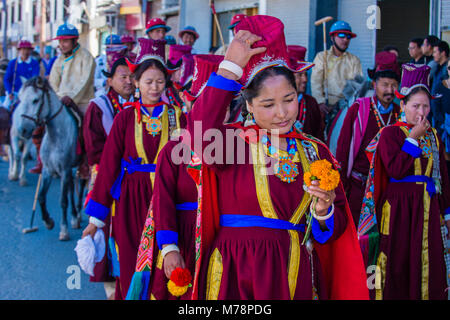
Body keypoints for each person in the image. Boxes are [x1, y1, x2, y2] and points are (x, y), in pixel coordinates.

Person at [186, 15, 368, 300]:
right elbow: (197, 132)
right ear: (248, 104)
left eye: (289, 99)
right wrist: (230, 68)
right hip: (235, 270)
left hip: (291, 268)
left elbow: (334, 230)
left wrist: (324, 212)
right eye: (268, 104)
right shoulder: (233, 143)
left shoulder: (314, 151)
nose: (282, 113)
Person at [82, 37, 186, 300]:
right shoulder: (125, 117)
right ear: (136, 82)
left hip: (167, 199)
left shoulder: (177, 116)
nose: (154, 87)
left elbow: (187, 162)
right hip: (130, 201)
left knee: (165, 263)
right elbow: (108, 167)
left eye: (160, 82)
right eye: (148, 82)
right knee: (130, 264)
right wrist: (96, 219)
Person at [127, 54, 225, 300]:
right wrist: (169, 248)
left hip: (221, 239)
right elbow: (163, 201)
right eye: (205, 106)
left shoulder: (235, 148)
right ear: (188, 105)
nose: (213, 116)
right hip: (183, 236)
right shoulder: (173, 151)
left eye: (221, 107)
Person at [359, 63, 450, 300]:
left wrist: (447, 214)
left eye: (426, 106)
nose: (421, 112)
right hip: (399, 208)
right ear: (403, 105)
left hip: (428, 207)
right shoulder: (391, 134)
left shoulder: (434, 137)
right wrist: (412, 139)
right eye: (415, 105)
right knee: (396, 260)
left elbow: (443, 178)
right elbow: (396, 170)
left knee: (426, 262)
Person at [82, 46, 135, 300]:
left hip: (139, 181)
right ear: (110, 80)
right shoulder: (99, 106)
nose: (128, 81)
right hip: (108, 176)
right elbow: (94, 149)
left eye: (131, 76)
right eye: (122, 76)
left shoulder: (144, 104)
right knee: (108, 233)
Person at [335, 51, 400, 227]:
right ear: (374, 84)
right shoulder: (359, 109)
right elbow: (343, 149)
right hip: (358, 187)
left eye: (394, 85)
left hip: (387, 189)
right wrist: (342, 187)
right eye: (385, 84)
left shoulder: (399, 113)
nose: (389, 90)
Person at [311, 20, 363, 135]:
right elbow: (315, 82)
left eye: (348, 36)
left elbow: (357, 86)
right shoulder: (321, 57)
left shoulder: (354, 60)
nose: (345, 39)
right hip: (325, 106)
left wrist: (341, 104)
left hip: (345, 107)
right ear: (332, 37)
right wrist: (320, 102)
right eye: (341, 35)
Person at [49, 23, 95, 114]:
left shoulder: (86, 57)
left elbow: (85, 82)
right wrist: (59, 97)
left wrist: (71, 97)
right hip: (60, 101)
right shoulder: (58, 60)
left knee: (89, 124)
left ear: (75, 41)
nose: (62, 45)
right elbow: (53, 82)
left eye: (65, 41)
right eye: (60, 41)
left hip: (82, 102)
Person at [287, 45, 324, 141]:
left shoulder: (311, 103)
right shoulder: (276, 105)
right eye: (299, 75)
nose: (305, 79)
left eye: (306, 74)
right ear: (287, 76)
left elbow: (319, 139)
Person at [4, 40, 40, 107]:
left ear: (30, 51)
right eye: (23, 49)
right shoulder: (12, 63)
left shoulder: (34, 63)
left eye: (27, 49)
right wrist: (9, 92)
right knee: (4, 110)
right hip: (14, 94)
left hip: (28, 94)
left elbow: (34, 79)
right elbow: (7, 79)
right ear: (19, 50)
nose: (25, 52)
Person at [430, 40, 449, 131]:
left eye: (435, 52)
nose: (433, 54)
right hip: (437, 116)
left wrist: (442, 119)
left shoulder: (446, 70)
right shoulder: (438, 68)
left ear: (443, 53)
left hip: (443, 120)